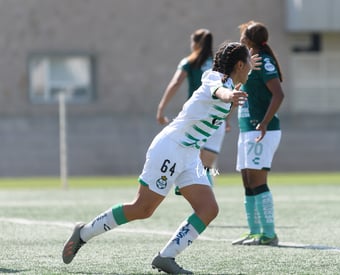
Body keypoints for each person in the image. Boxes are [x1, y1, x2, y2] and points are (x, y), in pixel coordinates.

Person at [62, 41, 253, 274]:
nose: (252, 66)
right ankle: (83, 233)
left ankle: (166, 257)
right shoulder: (214, 78)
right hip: (170, 148)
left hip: (190, 153)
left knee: (208, 208)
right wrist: (229, 94)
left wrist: (237, 88)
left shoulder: (233, 84)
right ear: (240, 64)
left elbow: (224, 98)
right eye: (249, 63)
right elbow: (220, 92)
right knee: (143, 209)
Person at [232, 21, 285, 246]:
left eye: (243, 35)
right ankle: (254, 232)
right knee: (247, 180)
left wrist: (264, 122)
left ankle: (269, 233)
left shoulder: (264, 61)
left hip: (262, 130)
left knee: (257, 181)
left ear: (250, 39)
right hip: (246, 129)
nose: (241, 39)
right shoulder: (250, 61)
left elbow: (278, 94)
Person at [157, 29, 226, 188]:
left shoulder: (189, 62)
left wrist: (161, 108)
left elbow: (175, 83)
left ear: (196, 44)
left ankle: (195, 198)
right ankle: (208, 204)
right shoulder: (219, 63)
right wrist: (227, 119)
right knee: (207, 167)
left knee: (188, 159)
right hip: (217, 117)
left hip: (196, 117)